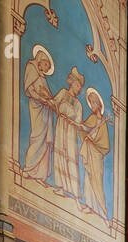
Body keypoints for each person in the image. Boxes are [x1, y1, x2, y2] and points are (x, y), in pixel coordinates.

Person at [22, 46, 56, 183]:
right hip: (37, 108)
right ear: (40, 60)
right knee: (37, 138)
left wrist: (51, 102)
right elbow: (29, 90)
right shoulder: (31, 68)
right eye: (46, 64)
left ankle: (40, 175)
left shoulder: (42, 77)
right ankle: (28, 169)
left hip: (45, 111)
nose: (47, 68)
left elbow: (47, 94)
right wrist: (43, 99)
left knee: (45, 144)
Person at [51, 67, 85, 199]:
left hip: (70, 131)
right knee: (60, 153)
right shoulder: (63, 93)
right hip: (61, 125)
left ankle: (72, 190)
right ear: (72, 83)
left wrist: (75, 122)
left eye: (80, 87)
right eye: (77, 85)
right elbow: (54, 103)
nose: (79, 89)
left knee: (70, 155)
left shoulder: (78, 104)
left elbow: (78, 121)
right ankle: (61, 187)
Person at [79, 88, 111, 219]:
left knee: (97, 180)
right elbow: (84, 129)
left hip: (97, 156)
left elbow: (106, 145)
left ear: (99, 104)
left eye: (94, 103)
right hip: (89, 152)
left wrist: (94, 140)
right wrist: (85, 132)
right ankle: (89, 205)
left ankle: (102, 209)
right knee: (88, 178)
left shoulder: (103, 122)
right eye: (90, 103)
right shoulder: (92, 118)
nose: (92, 105)